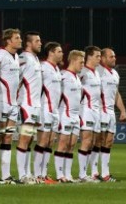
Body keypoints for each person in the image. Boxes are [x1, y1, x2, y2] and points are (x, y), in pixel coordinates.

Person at [0, 28, 22, 184]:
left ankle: (5, 175)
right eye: (17, 38)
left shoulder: (16, 56)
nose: (20, 40)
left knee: (8, 137)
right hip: (1, 104)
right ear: (8, 41)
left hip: (13, 105)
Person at [33, 42, 64, 184]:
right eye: (59, 51)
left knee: (50, 142)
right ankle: (37, 174)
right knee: (43, 140)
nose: (62, 54)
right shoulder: (43, 68)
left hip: (55, 111)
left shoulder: (57, 69)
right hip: (44, 108)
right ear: (51, 52)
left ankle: (44, 174)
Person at [95, 48, 126, 182]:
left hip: (110, 113)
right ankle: (94, 173)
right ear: (102, 58)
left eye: (114, 56)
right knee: (98, 141)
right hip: (100, 111)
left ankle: (105, 174)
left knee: (109, 142)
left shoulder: (114, 74)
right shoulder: (97, 72)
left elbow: (116, 94)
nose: (114, 58)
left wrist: (123, 110)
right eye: (111, 56)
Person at [16, 31, 43, 184]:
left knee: (30, 139)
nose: (40, 43)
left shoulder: (35, 59)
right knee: (24, 139)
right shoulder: (23, 58)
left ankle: (28, 173)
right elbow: (15, 79)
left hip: (35, 106)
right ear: (28, 43)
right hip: (26, 105)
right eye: (37, 41)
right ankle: (22, 175)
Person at [54, 50, 85, 183]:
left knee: (71, 145)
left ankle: (68, 174)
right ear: (72, 60)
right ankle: (60, 175)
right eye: (81, 62)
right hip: (65, 114)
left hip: (75, 116)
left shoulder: (77, 77)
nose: (82, 65)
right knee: (63, 143)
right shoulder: (63, 76)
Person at [77, 46, 102, 183]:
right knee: (86, 141)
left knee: (94, 142)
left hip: (96, 112)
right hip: (85, 110)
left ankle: (93, 172)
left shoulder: (97, 73)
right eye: (97, 56)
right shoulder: (83, 72)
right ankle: (82, 174)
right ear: (89, 57)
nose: (99, 58)